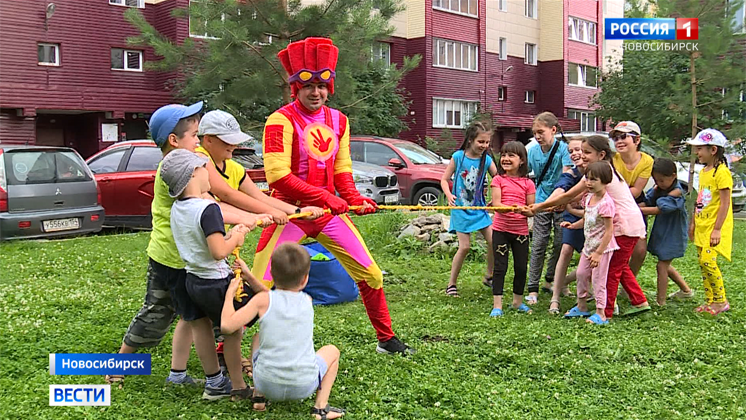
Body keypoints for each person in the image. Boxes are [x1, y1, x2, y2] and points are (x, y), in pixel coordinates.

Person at [252, 37, 412, 355]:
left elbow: (342, 170)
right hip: (290, 214)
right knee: (258, 280)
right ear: (295, 88)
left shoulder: (339, 121)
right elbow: (278, 178)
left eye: (322, 86)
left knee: (372, 274)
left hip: (327, 217)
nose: (316, 92)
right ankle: (222, 343)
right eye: (309, 85)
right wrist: (327, 199)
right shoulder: (279, 121)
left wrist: (354, 198)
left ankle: (386, 339)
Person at [105, 103, 263, 389]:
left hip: (183, 257)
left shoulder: (184, 166)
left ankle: (181, 374)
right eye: (194, 135)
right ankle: (119, 368)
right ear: (175, 141)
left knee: (189, 316)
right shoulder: (179, 170)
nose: (198, 141)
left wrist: (251, 217)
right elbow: (211, 207)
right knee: (162, 315)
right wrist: (251, 218)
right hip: (173, 260)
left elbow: (213, 202)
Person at [196, 109, 324, 373]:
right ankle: (125, 367)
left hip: (217, 249)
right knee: (177, 315)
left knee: (198, 315)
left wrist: (297, 211)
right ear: (207, 140)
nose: (234, 145)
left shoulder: (233, 167)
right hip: (190, 251)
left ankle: (216, 361)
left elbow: (260, 197)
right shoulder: (198, 160)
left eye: (234, 139)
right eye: (225, 140)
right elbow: (225, 194)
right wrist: (258, 217)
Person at [162, 149, 270, 401]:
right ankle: (238, 386)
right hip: (217, 283)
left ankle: (214, 383)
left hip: (193, 281)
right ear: (193, 175)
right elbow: (218, 251)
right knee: (233, 333)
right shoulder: (208, 209)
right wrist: (237, 236)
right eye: (203, 167)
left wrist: (238, 228)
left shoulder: (178, 207)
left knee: (202, 329)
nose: (208, 172)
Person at [532, 135, 651, 320]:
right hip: (628, 223)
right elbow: (572, 196)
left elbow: (569, 194)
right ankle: (639, 300)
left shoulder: (601, 175)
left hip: (625, 226)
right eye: (581, 151)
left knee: (612, 269)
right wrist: (548, 205)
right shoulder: (601, 172)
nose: (582, 155)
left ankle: (606, 313)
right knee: (620, 266)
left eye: (587, 152)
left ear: (601, 154)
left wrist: (538, 207)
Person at [222, 243, 345, 419]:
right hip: (304, 385)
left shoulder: (262, 301)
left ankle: (259, 397)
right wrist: (248, 275)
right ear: (305, 279)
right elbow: (276, 298)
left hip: (266, 383)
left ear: (271, 274)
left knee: (257, 338)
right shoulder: (307, 300)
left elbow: (227, 326)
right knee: (332, 351)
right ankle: (320, 408)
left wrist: (229, 294)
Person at [441, 121, 498, 297]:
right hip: (460, 209)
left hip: (479, 209)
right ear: (471, 140)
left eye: (487, 142)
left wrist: (496, 199)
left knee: (493, 241)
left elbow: (498, 180)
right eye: (481, 142)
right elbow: (444, 179)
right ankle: (451, 284)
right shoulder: (458, 157)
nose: (484, 146)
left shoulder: (486, 160)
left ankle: (489, 275)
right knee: (464, 247)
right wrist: (449, 195)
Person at [561, 162, 618, 325]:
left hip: (602, 249)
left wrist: (599, 253)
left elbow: (609, 231)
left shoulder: (606, 204)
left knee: (599, 279)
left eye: (594, 180)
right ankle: (582, 305)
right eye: (587, 178)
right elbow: (586, 219)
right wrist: (573, 225)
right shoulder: (588, 198)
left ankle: (601, 313)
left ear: (605, 181)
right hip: (589, 246)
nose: (589, 183)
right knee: (580, 274)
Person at [526, 112, 574, 305]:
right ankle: (532, 287)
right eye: (534, 133)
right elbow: (523, 174)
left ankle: (551, 279)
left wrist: (562, 199)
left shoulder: (564, 150)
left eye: (541, 132)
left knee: (560, 243)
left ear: (553, 130)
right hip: (540, 201)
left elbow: (566, 175)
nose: (538, 136)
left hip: (561, 201)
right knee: (538, 243)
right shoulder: (532, 152)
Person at [687, 129, 733, 315]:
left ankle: (721, 301)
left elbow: (725, 203)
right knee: (702, 263)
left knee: (708, 262)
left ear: (713, 150)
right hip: (702, 225)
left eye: (700, 149)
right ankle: (710, 301)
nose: (697, 153)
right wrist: (693, 222)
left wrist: (717, 229)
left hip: (714, 227)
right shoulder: (705, 171)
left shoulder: (722, 173)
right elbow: (701, 199)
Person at [488, 141, 534, 316]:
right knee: (500, 267)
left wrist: (525, 210)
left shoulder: (528, 183)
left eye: (511, 155)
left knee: (521, 268)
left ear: (521, 160)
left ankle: (517, 302)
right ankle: (497, 305)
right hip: (500, 230)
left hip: (520, 233)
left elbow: (531, 210)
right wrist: (511, 207)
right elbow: (497, 205)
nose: (506, 159)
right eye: (504, 155)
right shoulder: (498, 180)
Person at [639, 158, 692, 306]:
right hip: (663, 232)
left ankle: (660, 302)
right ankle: (686, 291)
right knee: (665, 263)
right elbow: (648, 201)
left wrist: (636, 210)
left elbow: (659, 209)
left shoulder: (677, 192)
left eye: (662, 180)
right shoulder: (659, 189)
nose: (658, 183)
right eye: (656, 180)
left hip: (673, 234)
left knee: (661, 266)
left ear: (673, 176)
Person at [546, 137, 586, 314]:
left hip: (595, 218)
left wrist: (568, 201)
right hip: (571, 216)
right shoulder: (572, 173)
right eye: (571, 151)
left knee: (590, 256)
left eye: (578, 149)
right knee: (566, 249)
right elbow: (561, 188)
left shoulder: (599, 170)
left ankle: (566, 285)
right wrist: (547, 204)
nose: (575, 154)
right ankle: (555, 297)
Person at [609, 121, 653, 277]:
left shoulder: (647, 161)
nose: (619, 141)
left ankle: (628, 282)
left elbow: (636, 190)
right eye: (615, 138)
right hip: (611, 205)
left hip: (632, 205)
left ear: (637, 140)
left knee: (640, 250)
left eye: (623, 137)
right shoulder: (612, 159)